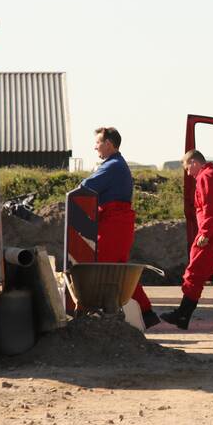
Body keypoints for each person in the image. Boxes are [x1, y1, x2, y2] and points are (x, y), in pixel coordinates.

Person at [80, 127, 160, 330]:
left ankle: (95, 313)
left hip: (113, 224)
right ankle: (146, 313)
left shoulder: (112, 166)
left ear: (108, 144)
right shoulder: (115, 164)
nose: (95, 147)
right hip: (115, 223)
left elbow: (86, 186)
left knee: (104, 269)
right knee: (119, 270)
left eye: (98, 142)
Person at [161, 150, 213, 330]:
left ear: (194, 162)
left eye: (187, 168)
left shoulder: (205, 177)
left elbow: (209, 208)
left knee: (195, 272)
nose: (188, 173)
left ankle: (183, 315)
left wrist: (205, 234)